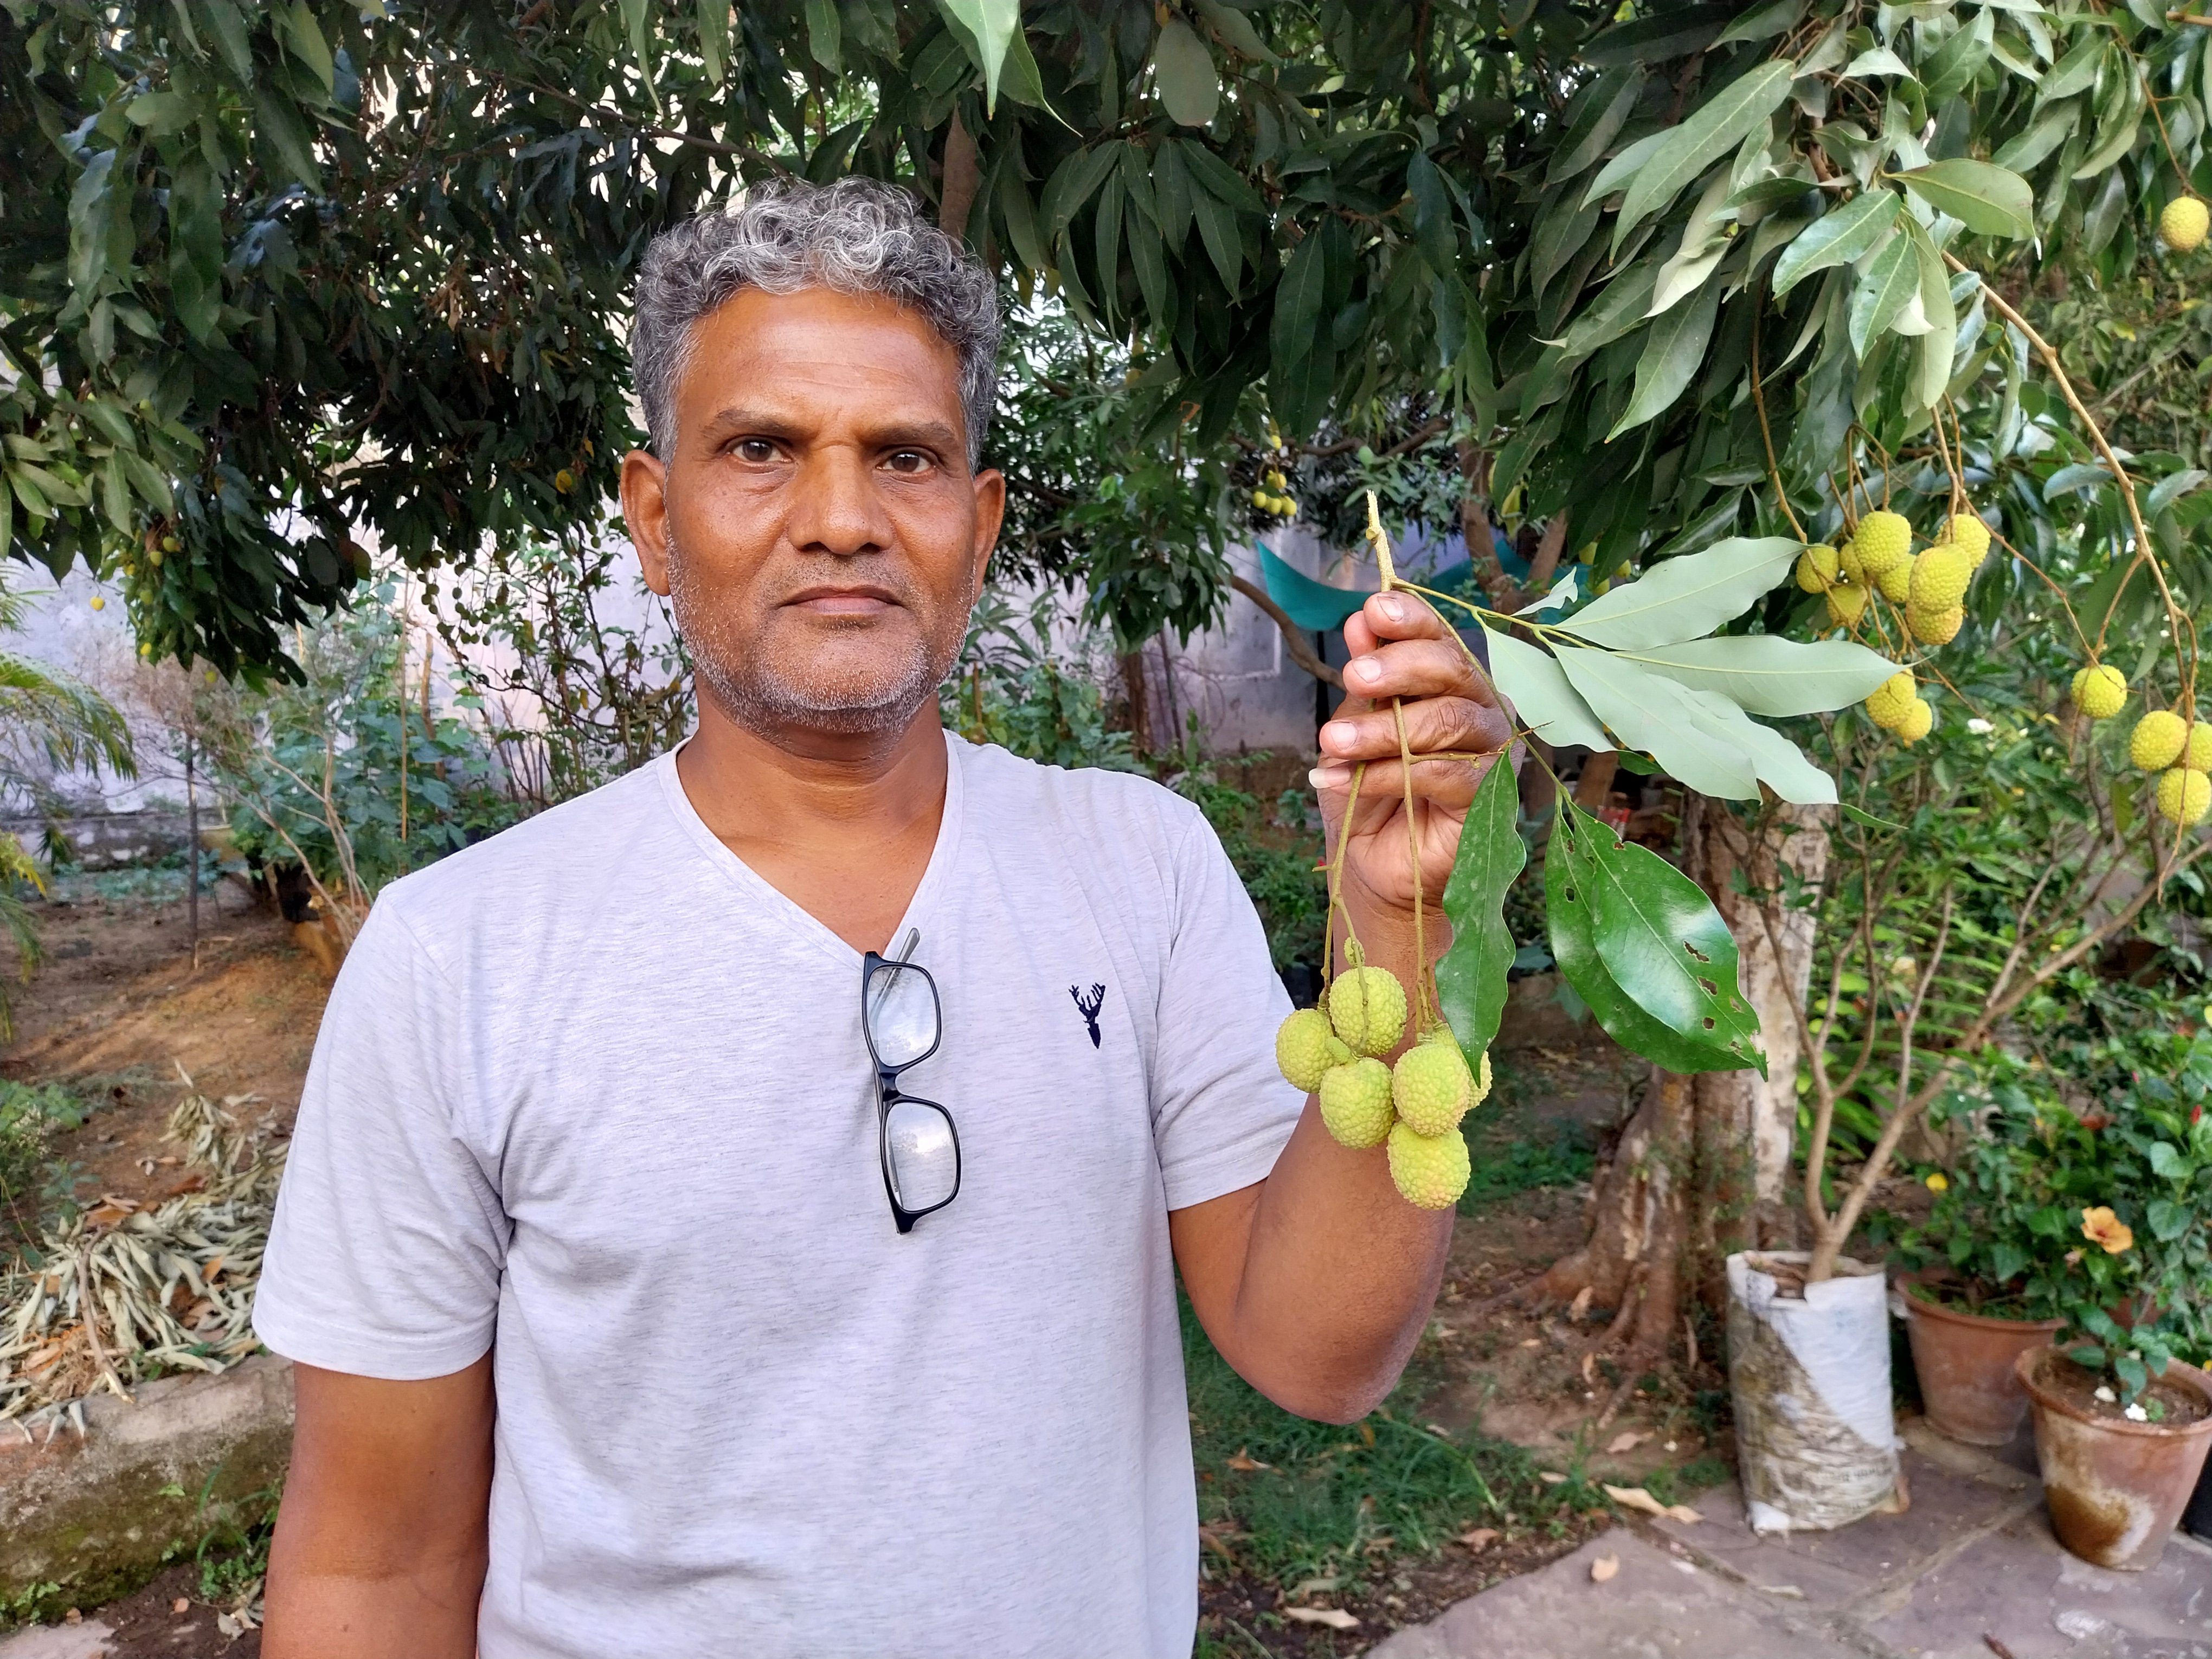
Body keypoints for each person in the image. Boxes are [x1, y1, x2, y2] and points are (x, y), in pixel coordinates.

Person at [253, 177, 1508, 1659]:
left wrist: (1404, 925)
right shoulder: (458, 958)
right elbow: (374, 1566)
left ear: (975, 530)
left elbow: (1321, 1355)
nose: (841, 517)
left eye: (903, 455)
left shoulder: (1144, 868)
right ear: (655, 520)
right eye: (762, 449)